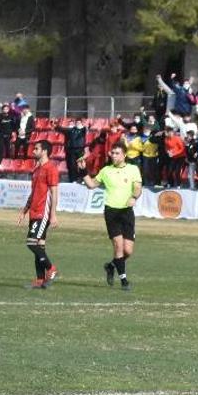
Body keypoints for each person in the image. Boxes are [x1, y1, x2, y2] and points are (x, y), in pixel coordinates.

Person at [84, 141, 141, 291]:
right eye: (112, 153)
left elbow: (137, 187)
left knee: (128, 250)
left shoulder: (133, 169)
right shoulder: (106, 170)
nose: (114, 156)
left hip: (127, 212)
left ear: (124, 155)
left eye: (117, 153)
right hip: (111, 212)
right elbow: (91, 185)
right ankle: (124, 281)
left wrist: (134, 197)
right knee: (118, 245)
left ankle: (111, 266)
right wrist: (82, 172)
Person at [18, 140, 61, 289]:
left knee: (31, 242)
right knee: (39, 245)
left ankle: (51, 268)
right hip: (34, 211)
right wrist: (25, 210)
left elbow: (54, 193)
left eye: (36, 149)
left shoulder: (51, 169)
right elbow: (33, 192)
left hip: (43, 212)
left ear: (44, 151)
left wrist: (53, 214)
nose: (33, 151)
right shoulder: (36, 170)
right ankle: (40, 280)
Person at [63, 118, 88, 183]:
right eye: (77, 122)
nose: (78, 124)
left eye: (79, 122)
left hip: (80, 149)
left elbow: (85, 129)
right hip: (71, 150)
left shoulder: (83, 129)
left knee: (81, 165)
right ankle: (73, 179)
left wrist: (85, 126)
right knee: (72, 165)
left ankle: (83, 178)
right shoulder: (71, 130)